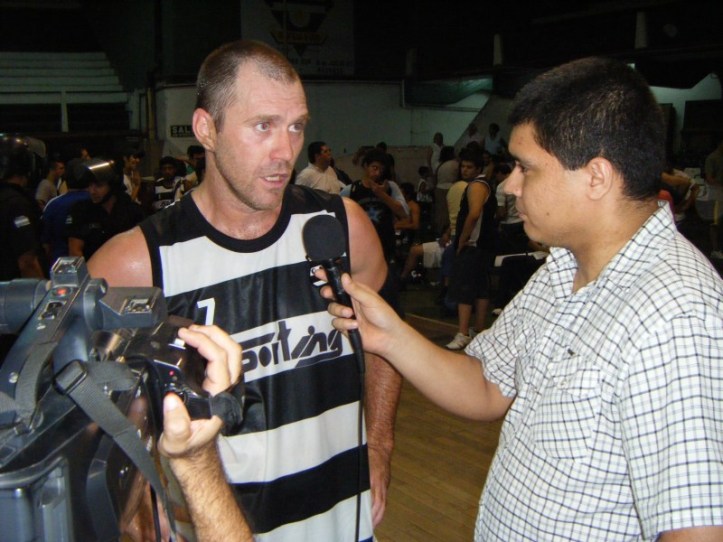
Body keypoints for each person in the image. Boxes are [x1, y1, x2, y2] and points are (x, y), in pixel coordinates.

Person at [325, 57, 723, 541]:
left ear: (596, 177)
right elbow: (485, 385)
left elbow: (696, 531)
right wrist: (390, 336)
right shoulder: (562, 270)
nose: (510, 185)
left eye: (525, 168)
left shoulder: (676, 315)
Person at [88, 39, 401, 541]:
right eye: (262, 126)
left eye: (296, 126)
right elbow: (99, 416)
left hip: (347, 521)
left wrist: (380, 445)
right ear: (206, 129)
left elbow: (387, 344)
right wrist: (138, 508)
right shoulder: (137, 262)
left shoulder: (342, 227)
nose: (285, 152)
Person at [445, 147, 497, 350]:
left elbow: (474, 214)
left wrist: (462, 239)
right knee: (481, 288)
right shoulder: (485, 185)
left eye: (469, 167)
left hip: (473, 245)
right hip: (484, 245)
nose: (464, 170)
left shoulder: (476, 185)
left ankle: (463, 332)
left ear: (478, 169)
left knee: (465, 288)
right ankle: (478, 329)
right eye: (463, 166)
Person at [67, 158, 145, 260]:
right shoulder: (81, 210)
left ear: (113, 186)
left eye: (99, 186)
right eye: (90, 185)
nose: (92, 191)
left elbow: (142, 246)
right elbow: (75, 251)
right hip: (92, 267)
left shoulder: (132, 211)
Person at [40, 160, 91, 270]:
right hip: (94, 265)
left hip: (60, 268)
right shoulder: (96, 202)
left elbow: (46, 245)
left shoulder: (53, 205)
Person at [704, 139, 723, 260]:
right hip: (716, 195)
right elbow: (709, 178)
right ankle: (715, 249)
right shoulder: (713, 158)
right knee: (715, 222)